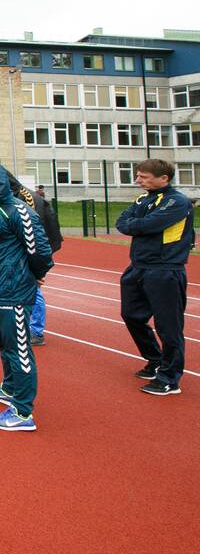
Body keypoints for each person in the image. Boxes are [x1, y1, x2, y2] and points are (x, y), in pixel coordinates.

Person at [0, 163, 54, 432]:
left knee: (19, 350)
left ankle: (22, 412)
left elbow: (39, 250)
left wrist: (36, 274)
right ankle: (9, 387)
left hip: (14, 289)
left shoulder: (19, 211)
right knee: (4, 344)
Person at [115, 159, 195, 396]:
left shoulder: (177, 201)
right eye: (138, 176)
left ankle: (170, 378)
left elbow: (149, 224)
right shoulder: (142, 199)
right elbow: (123, 223)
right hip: (138, 267)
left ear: (164, 178)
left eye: (144, 176)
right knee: (131, 315)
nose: (138, 180)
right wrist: (137, 224)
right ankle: (155, 359)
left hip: (165, 269)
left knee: (168, 326)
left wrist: (137, 224)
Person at [6, 173, 63, 346]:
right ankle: (23, 325)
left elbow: (33, 228)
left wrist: (37, 257)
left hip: (35, 248)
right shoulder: (14, 194)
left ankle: (36, 331)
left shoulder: (26, 198)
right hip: (30, 247)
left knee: (33, 288)